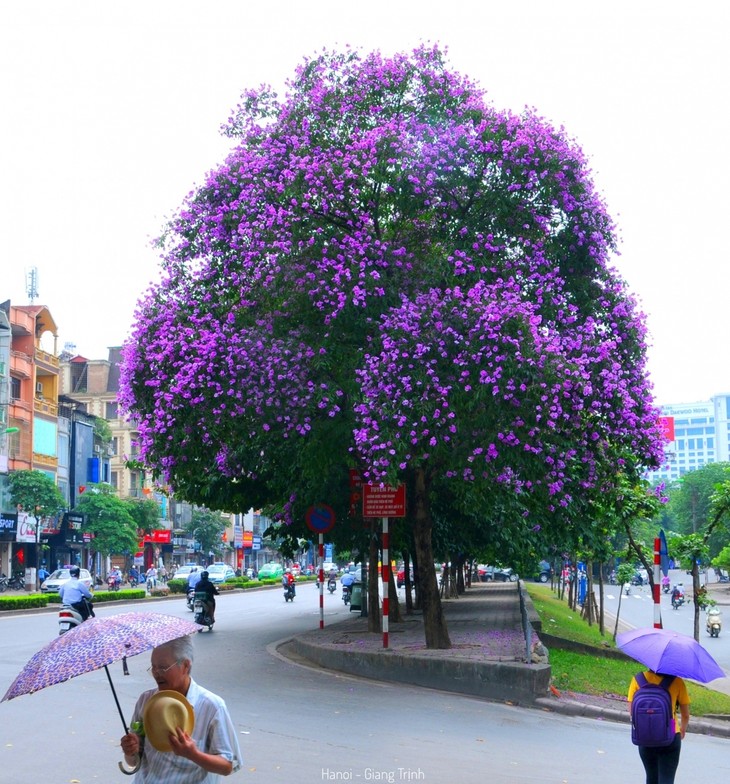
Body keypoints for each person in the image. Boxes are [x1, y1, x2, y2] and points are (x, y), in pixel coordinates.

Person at [120, 635, 241, 782]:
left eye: (163, 667)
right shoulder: (145, 701)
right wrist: (130, 751)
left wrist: (193, 754)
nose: (156, 673)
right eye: (153, 667)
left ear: (185, 666)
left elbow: (227, 765)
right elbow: (133, 762)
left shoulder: (212, 707)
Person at [628, 669, 690, 784]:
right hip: (671, 734)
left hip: (645, 736)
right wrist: (682, 730)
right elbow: (685, 715)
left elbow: (632, 712)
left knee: (651, 777)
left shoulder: (637, 680)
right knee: (667, 779)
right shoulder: (677, 681)